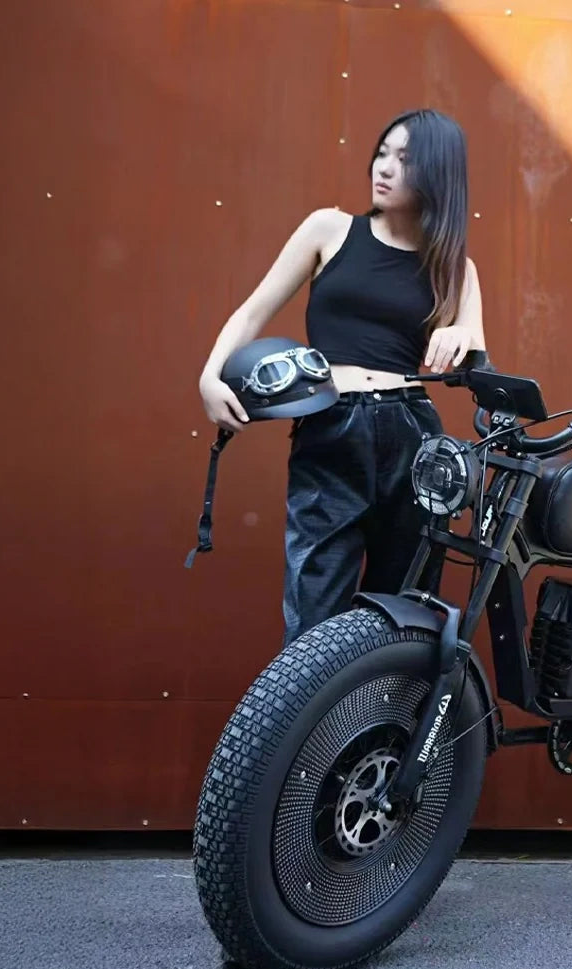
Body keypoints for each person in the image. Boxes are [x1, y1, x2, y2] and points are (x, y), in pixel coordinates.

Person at [197, 109, 486, 645]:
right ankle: (315, 731)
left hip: (414, 435)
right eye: (382, 153)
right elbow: (253, 310)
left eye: (405, 159)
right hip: (332, 424)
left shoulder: (454, 266)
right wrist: (210, 378)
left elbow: (479, 364)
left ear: (437, 173)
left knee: (404, 617)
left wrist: (466, 338)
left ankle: (381, 729)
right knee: (314, 614)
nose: (385, 168)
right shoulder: (329, 229)